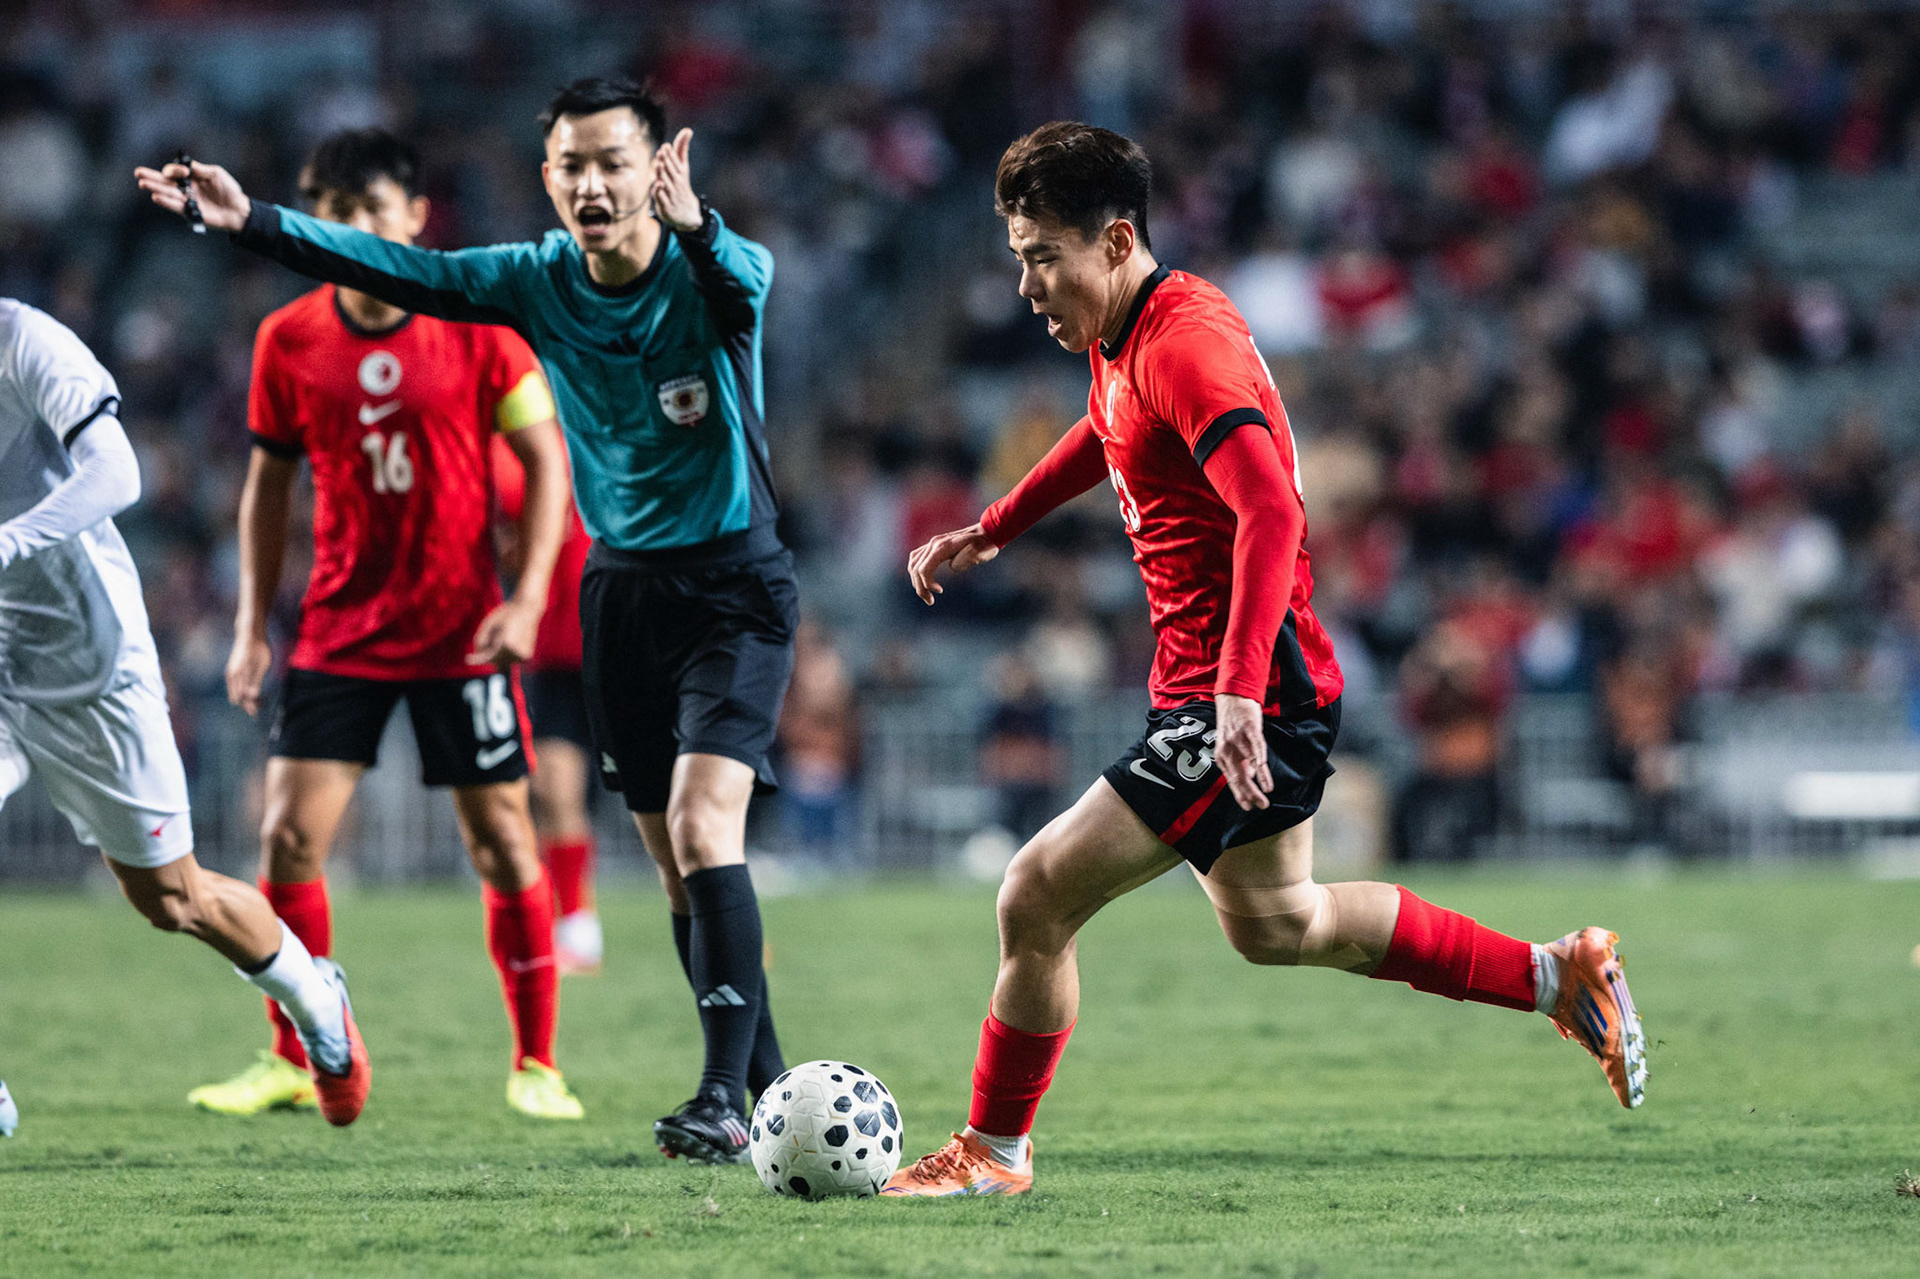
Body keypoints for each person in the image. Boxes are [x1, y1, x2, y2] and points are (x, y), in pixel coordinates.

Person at [886, 123, 1647, 1197]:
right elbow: (1108, 430)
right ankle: (1556, 973)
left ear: (1112, 240)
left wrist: (1237, 693)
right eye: (1018, 257)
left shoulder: (1185, 344)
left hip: (1244, 689)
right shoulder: (1132, 332)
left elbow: (1273, 511)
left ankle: (992, 1152)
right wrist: (997, 525)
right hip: (1234, 685)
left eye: (1040, 256)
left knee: (1033, 895)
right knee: (1278, 924)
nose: (1026, 284)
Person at [138, 77, 791, 1163]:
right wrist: (251, 219)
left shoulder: (720, 265)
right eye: (571, 165)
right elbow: (403, 271)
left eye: (613, 162)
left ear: (657, 166)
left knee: (700, 826)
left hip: (732, 582)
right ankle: (772, 1088)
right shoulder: (532, 282)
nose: (593, 183)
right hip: (621, 593)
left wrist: (702, 228)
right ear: (549, 179)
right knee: (678, 867)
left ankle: (719, 1093)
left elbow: (739, 290)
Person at [183, 130, 583, 1123]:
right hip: (339, 632)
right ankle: (292, 1050)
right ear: (316, 220)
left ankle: (537, 1063)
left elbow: (546, 464)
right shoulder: (287, 339)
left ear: (413, 218)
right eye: (339, 210)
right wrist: (248, 625)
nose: (359, 227)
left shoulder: (479, 326)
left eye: (377, 209)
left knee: (501, 839)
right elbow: (266, 490)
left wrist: (528, 595)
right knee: (287, 840)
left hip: (461, 632)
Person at [0, 297, 368, 1125]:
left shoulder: (27, 343)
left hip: (86, 658)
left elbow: (120, 472)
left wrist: (7, 543)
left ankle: (316, 1000)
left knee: (173, 898)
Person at [490, 429, 602, 974]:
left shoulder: (613, 437)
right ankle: (577, 927)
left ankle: (721, 926)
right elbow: (503, 529)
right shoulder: (517, 450)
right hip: (557, 655)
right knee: (554, 788)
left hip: (626, 647)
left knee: (676, 800)